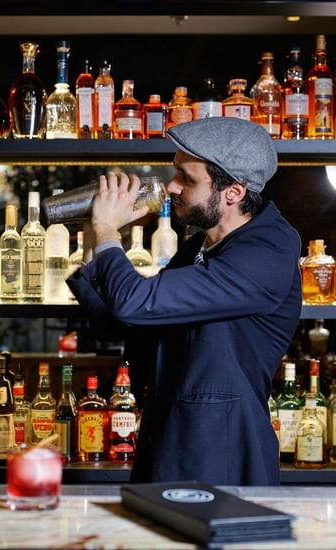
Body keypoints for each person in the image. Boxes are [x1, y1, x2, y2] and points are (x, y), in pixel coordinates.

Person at [67, 116, 302, 486]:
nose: (171, 186)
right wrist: (93, 236)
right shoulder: (199, 246)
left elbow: (135, 303)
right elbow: (125, 320)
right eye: (175, 172)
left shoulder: (267, 250)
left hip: (220, 452)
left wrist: (109, 231)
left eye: (187, 178)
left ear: (234, 192)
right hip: (167, 439)